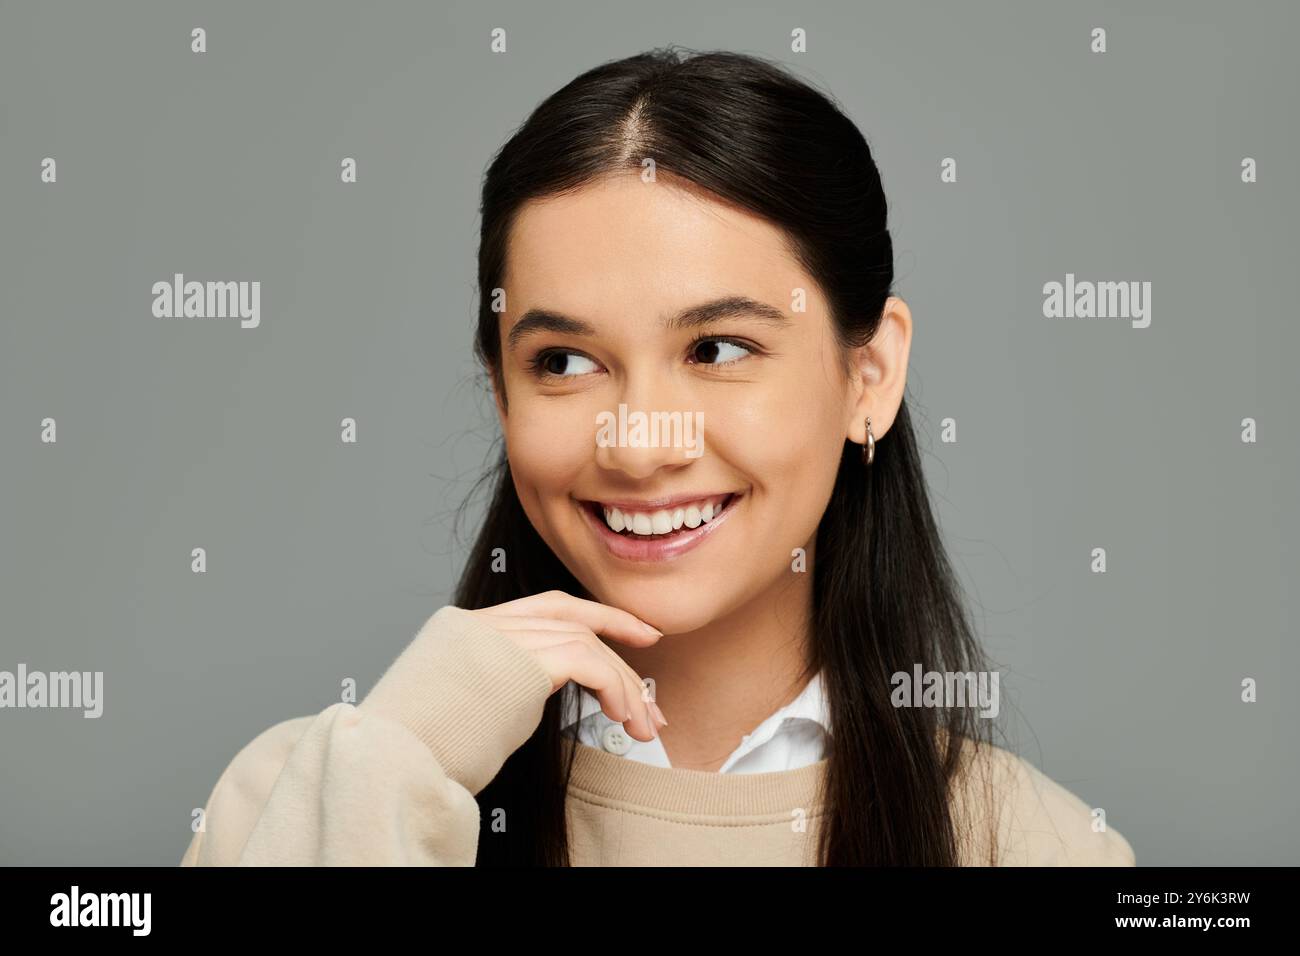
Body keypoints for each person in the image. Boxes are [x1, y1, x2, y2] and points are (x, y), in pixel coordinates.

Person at [182, 47, 1136, 867]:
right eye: (564, 362)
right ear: (500, 386)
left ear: (869, 374)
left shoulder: (1034, 846)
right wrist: (400, 757)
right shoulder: (299, 805)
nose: (640, 444)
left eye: (718, 349)